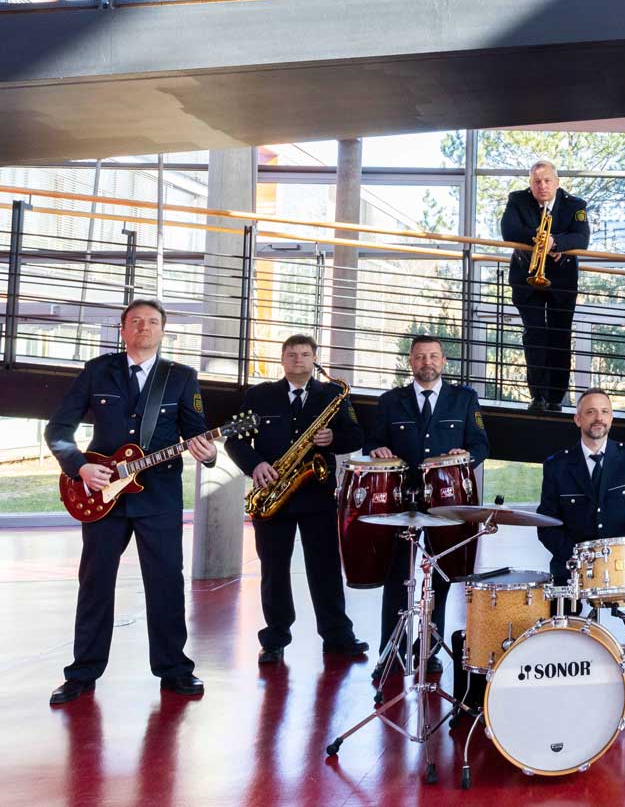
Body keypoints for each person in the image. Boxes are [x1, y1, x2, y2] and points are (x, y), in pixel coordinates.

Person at [45, 299, 218, 704]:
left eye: (152, 322)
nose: (144, 327)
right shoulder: (96, 371)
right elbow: (58, 430)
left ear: (163, 332)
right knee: (94, 583)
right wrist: (80, 468)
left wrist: (207, 453)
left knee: (165, 583)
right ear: (123, 330)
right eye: (135, 322)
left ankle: (174, 668)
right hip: (101, 496)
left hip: (158, 496)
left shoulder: (181, 377)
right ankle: (82, 673)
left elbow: (199, 437)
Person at [225, 334, 368, 665]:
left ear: (314, 359)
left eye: (305, 354)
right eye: (292, 354)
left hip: (317, 494)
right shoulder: (259, 396)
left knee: (326, 568)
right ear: (282, 359)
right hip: (272, 495)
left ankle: (337, 636)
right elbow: (234, 440)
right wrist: (255, 464)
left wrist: (333, 438)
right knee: (274, 570)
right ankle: (275, 637)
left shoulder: (333, 395)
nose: (298, 360)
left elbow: (356, 435)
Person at [363, 336, 489, 675]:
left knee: (441, 578)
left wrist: (467, 455)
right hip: (401, 499)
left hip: (447, 502)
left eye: (433, 356)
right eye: (420, 357)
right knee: (398, 576)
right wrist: (376, 450)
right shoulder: (391, 400)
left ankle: (429, 648)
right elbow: (374, 440)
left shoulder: (464, 399)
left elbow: (480, 443)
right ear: (411, 362)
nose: (426, 362)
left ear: (444, 361)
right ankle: (390, 651)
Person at [536, 388, 625, 585]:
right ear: (577, 419)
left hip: (624, 563)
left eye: (605, 412)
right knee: (558, 613)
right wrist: (580, 558)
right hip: (572, 565)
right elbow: (547, 524)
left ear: (611, 419)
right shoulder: (556, 465)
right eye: (591, 412)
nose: (599, 418)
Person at [502, 160, 591, 412]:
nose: (542, 185)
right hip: (526, 278)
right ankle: (538, 395)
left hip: (562, 281)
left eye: (547, 180)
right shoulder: (517, 200)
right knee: (534, 334)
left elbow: (582, 238)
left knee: (560, 335)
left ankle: (556, 396)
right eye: (536, 181)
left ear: (557, 182)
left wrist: (556, 241)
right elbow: (509, 231)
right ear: (530, 184)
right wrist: (540, 238)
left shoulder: (575, 205)